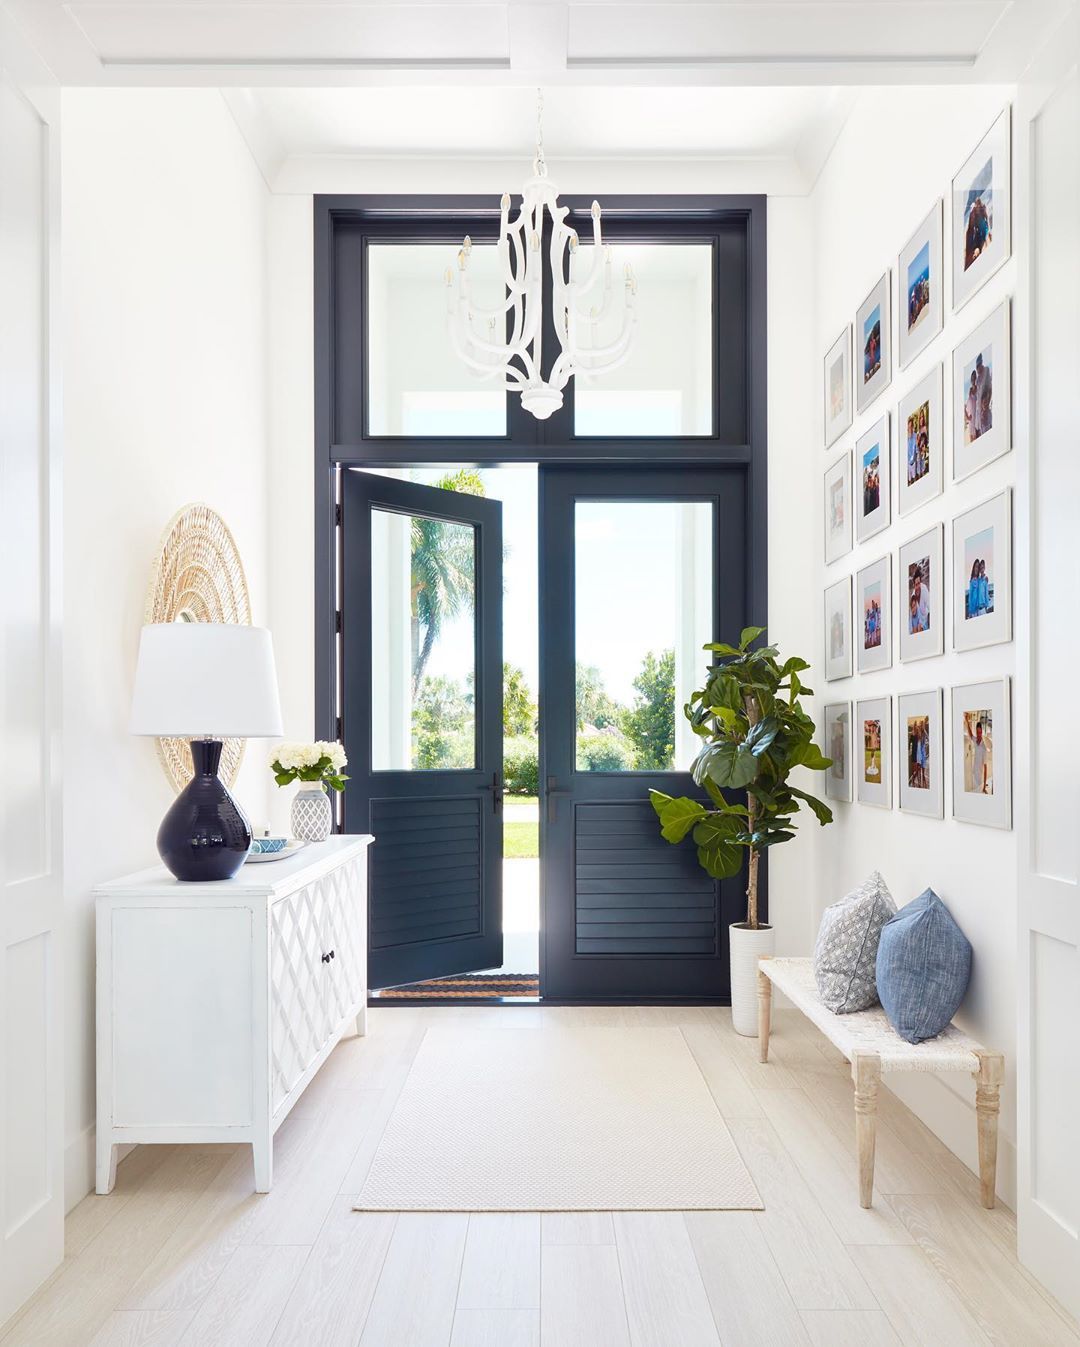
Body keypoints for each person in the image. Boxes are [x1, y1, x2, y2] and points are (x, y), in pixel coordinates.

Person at [966, 716, 991, 793]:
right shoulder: (975, 740)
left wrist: (983, 787)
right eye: (977, 732)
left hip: (979, 778)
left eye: (980, 732)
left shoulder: (984, 748)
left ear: (982, 732)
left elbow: (986, 768)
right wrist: (966, 720)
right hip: (973, 773)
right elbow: (970, 734)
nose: (979, 734)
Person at [910, 564, 930, 633]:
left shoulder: (924, 589)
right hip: (918, 623)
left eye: (919, 583)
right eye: (916, 584)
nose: (918, 586)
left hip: (926, 621)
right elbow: (912, 615)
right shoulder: (913, 596)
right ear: (913, 585)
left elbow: (929, 606)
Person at [976, 353, 992, 436]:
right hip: (980, 410)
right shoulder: (977, 380)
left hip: (985, 407)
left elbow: (990, 388)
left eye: (978, 367)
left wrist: (986, 406)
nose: (977, 370)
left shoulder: (986, 370)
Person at [965, 370, 979, 442]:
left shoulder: (978, 388)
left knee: (978, 437)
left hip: (977, 416)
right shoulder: (970, 391)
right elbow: (966, 406)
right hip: (971, 418)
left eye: (974, 378)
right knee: (972, 440)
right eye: (972, 378)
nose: (973, 380)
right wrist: (967, 416)